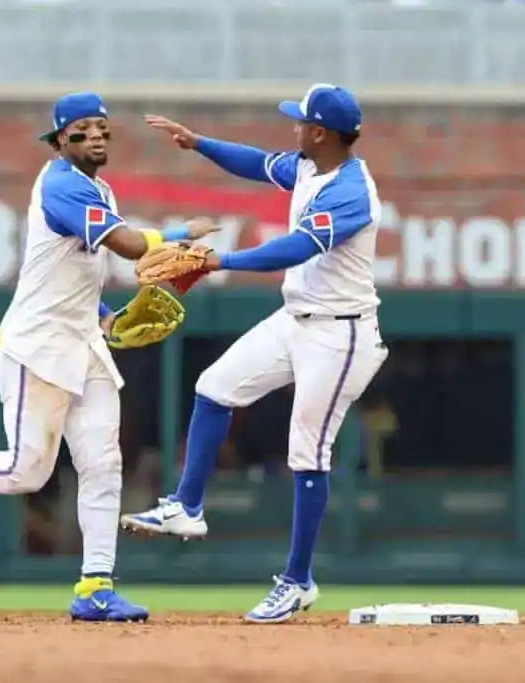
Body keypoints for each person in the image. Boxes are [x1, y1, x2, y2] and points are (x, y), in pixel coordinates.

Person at [0, 92, 218, 623]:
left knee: (104, 462)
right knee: (27, 471)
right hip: (35, 346)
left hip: (82, 342)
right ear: (62, 139)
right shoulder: (61, 184)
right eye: (84, 128)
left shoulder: (97, 188)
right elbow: (130, 247)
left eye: (103, 126)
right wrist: (178, 233)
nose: (98, 135)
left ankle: (95, 587)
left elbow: (82, 275)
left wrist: (109, 320)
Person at [122, 83, 390, 623]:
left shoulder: (352, 192)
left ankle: (297, 581)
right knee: (212, 388)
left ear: (320, 132)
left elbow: (294, 247)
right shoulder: (309, 168)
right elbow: (256, 163)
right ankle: (187, 507)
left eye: (300, 121)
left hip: (341, 335)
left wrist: (220, 262)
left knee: (307, 454)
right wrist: (198, 143)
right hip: (297, 319)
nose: (292, 128)